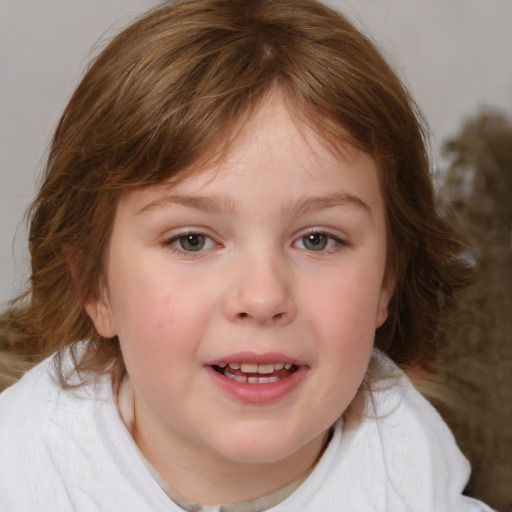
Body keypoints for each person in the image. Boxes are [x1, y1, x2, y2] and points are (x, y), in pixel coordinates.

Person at [0, 0, 494, 510]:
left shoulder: (424, 490)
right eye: (191, 240)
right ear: (94, 285)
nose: (262, 298)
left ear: (386, 282)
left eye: (318, 239)